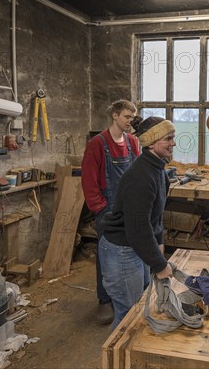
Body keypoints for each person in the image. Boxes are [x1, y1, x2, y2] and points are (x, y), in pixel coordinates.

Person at [99, 116, 176, 328]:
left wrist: (159, 243)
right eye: (168, 139)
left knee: (140, 303)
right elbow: (138, 228)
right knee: (128, 314)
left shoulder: (158, 170)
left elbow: (156, 212)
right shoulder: (140, 176)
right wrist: (160, 265)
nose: (173, 143)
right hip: (121, 249)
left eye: (173, 137)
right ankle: (117, 360)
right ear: (151, 142)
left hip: (134, 246)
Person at [81, 99, 140, 325]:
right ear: (115, 115)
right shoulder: (98, 144)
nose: (129, 122)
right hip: (107, 208)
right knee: (107, 255)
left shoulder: (132, 141)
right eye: (126, 117)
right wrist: (101, 209)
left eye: (132, 118)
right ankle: (104, 299)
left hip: (129, 207)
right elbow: (89, 181)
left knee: (131, 251)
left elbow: (135, 173)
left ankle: (128, 296)